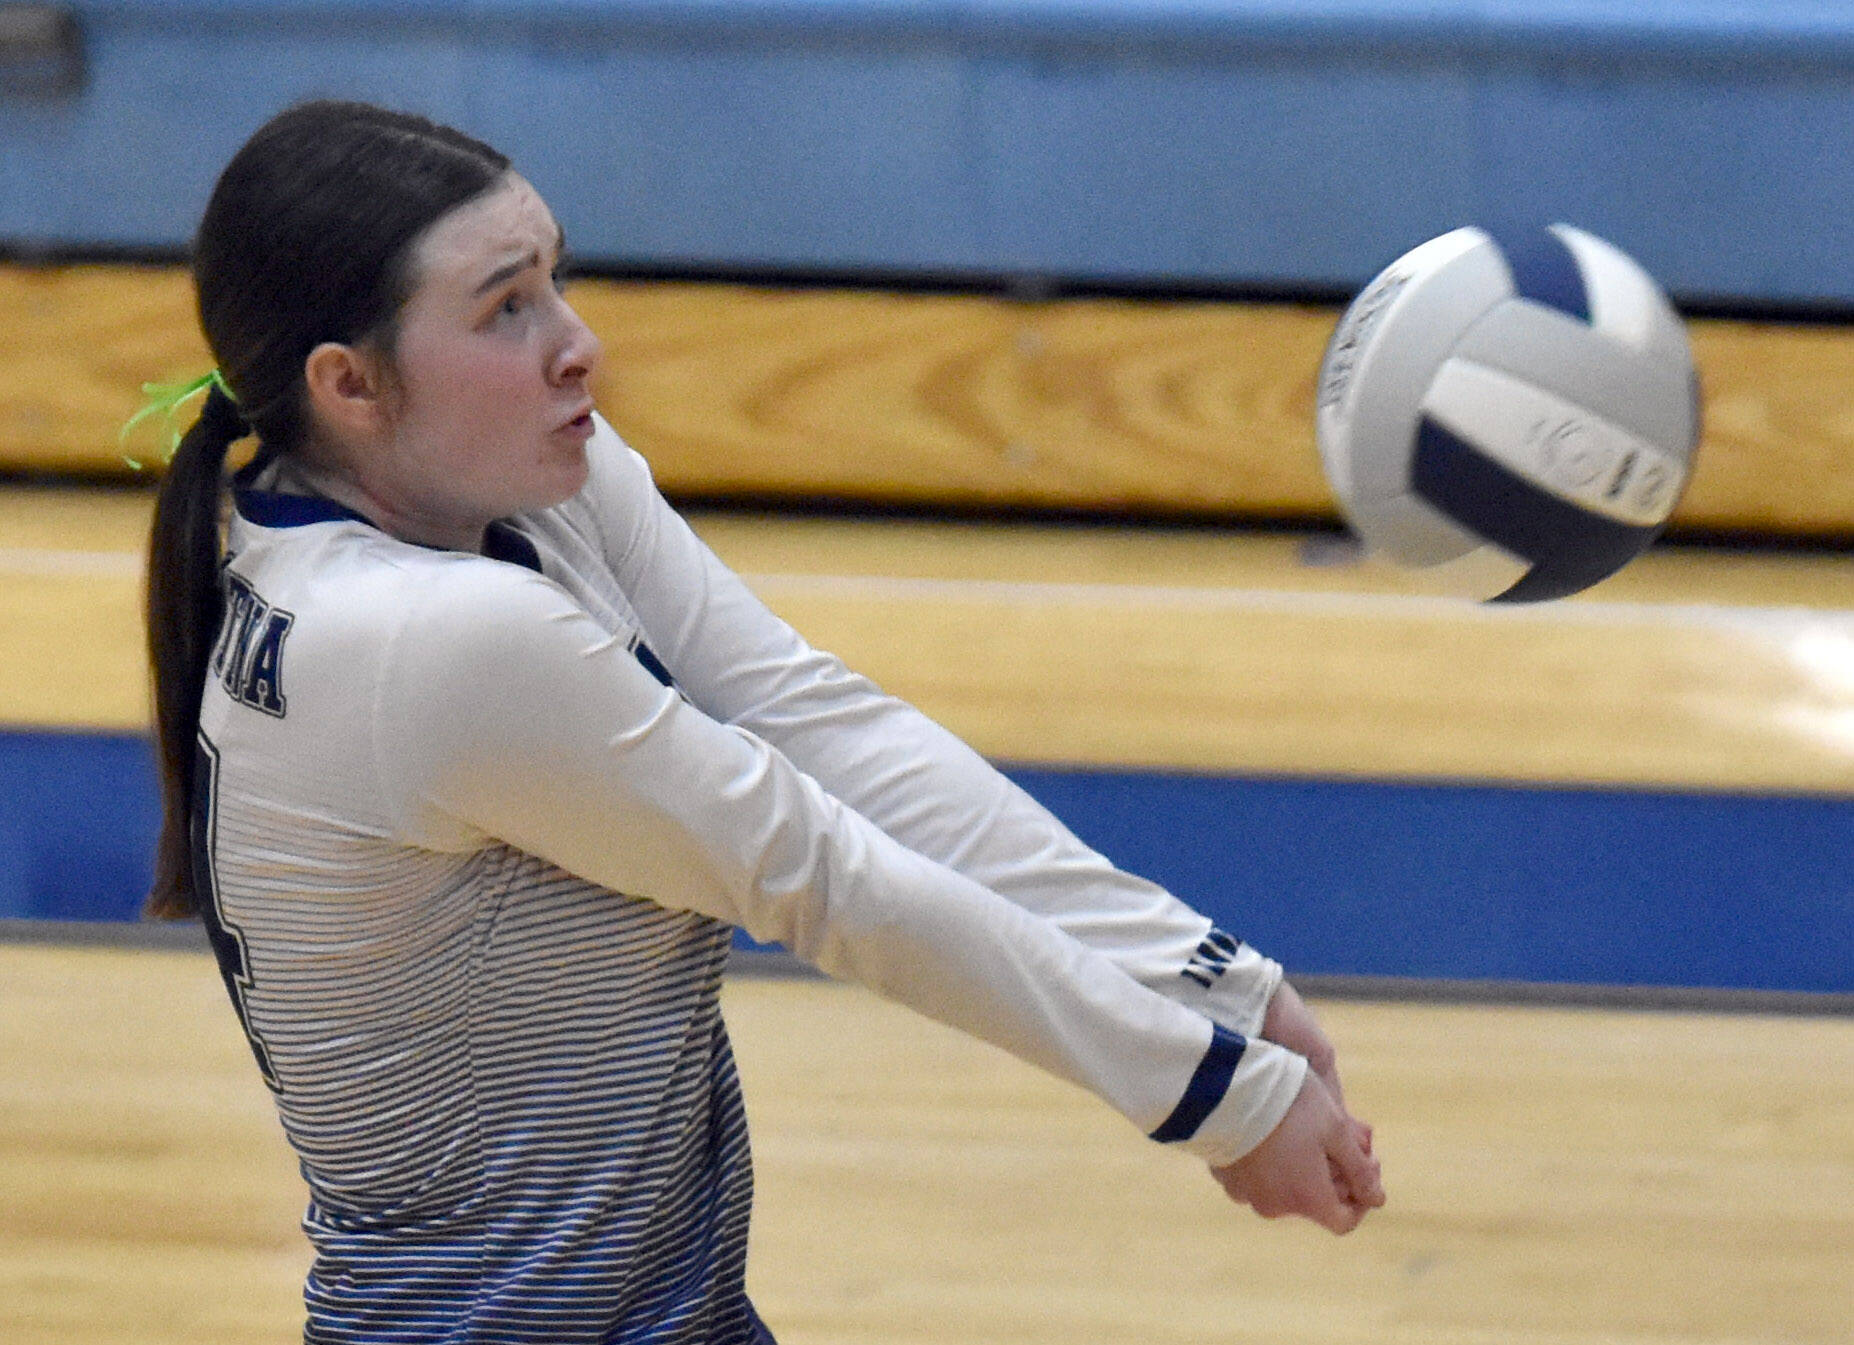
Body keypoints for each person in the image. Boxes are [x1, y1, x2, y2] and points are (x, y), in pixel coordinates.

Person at [142, 99, 1384, 1344]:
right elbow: (817, 873)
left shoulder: (501, 489)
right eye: (505, 307)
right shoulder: (433, 642)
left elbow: (812, 718)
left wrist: (1213, 982)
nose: (576, 344)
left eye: (555, 280)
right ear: (349, 384)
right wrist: (1218, 1097)